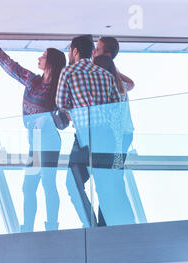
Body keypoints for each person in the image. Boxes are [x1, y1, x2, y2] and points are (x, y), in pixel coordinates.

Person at [0, 31, 66, 232]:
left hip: (50, 140)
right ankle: (27, 228)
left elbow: (65, 119)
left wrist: (47, 119)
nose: (39, 58)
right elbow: (11, 66)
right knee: (28, 187)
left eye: (43, 56)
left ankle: (51, 227)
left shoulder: (59, 88)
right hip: (34, 142)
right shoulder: (33, 81)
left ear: (51, 62)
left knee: (47, 182)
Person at [56, 35, 135, 227]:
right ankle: (107, 229)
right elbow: (117, 103)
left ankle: (90, 224)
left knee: (73, 183)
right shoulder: (105, 74)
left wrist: (76, 108)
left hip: (86, 135)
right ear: (91, 51)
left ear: (75, 51)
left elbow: (60, 103)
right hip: (106, 135)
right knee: (104, 185)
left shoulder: (68, 71)